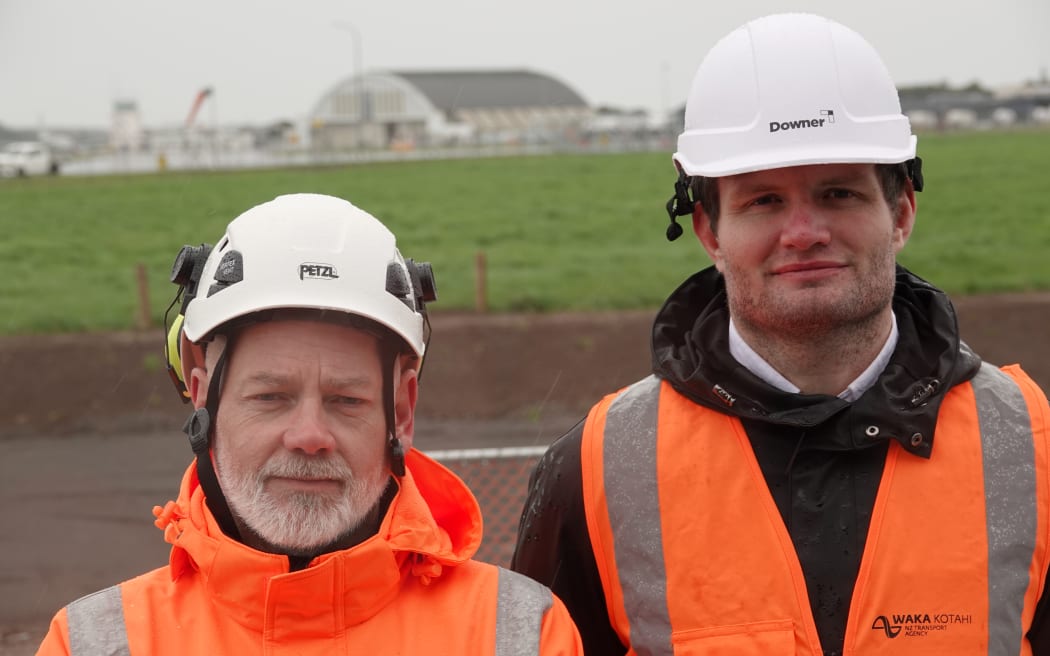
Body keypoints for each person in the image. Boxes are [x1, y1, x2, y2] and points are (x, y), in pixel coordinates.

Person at [511, 12, 1050, 656]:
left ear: (901, 211)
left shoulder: (1030, 446)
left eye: (838, 194)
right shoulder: (599, 469)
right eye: (763, 200)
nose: (804, 233)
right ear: (710, 231)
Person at [37, 193, 583, 655]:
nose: (310, 437)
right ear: (203, 399)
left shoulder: (520, 635)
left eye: (346, 400)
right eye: (271, 397)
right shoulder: (93, 642)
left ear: (401, 412)